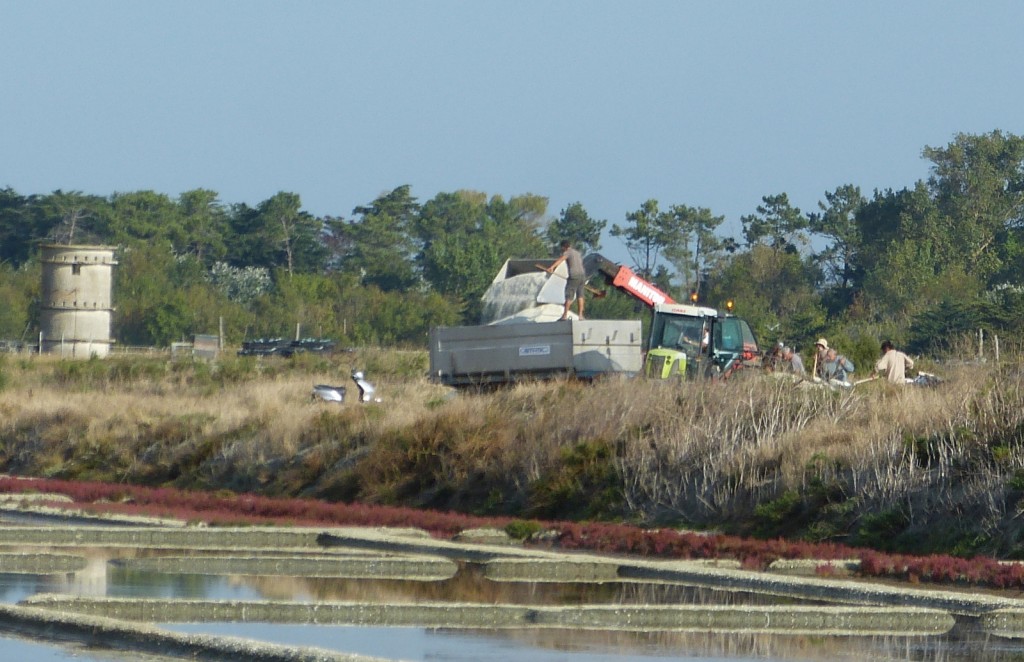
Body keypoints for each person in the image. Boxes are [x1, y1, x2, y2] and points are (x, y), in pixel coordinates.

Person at [552, 239, 586, 320]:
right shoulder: (577, 253)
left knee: (569, 296)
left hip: (574, 276)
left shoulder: (568, 252)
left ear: (564, 247)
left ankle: (564, 316)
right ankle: (580, 316)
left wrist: (552, 267)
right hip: (582, 276)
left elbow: (561, 259)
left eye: (561, 248)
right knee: (580, 295)